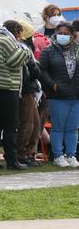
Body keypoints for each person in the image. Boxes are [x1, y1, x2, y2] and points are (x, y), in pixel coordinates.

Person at [0, 20, 29, 170]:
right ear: (16, 31)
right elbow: (14, 61)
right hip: (6, 87)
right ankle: (12, 160)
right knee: (11, 126)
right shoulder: (7, 41)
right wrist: (25, 50)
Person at [38, 21, 79, 168]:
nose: (62, 36)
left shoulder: (78, 50)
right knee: (58, 127)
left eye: (66, 34)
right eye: (60, 33)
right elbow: (41, 70)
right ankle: (57, 155)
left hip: (76, 96)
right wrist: (52, 84)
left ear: (73, 36)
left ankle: (71, 155)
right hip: (57, 96)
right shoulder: (49, 50)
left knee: (73, 127)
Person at [16, 20, 43, 167]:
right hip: (26, 89)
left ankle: (30, 153)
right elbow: (32, 72)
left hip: (31, 89)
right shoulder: (23, 49)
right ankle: (21, 153)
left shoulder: (26, 49)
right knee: (28, 124)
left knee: (35, 124)